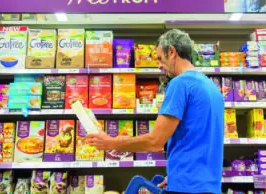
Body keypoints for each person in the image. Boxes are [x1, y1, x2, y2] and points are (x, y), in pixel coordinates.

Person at [86, 29, 224, 194]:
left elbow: (155, 142)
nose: (159, 65)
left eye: (160, 58)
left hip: (187, 189)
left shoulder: (180, 83)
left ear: (172, 51)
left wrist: (111, 143)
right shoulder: (211, 87)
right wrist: (175, 177)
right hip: (209, 186)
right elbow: (200, 139)